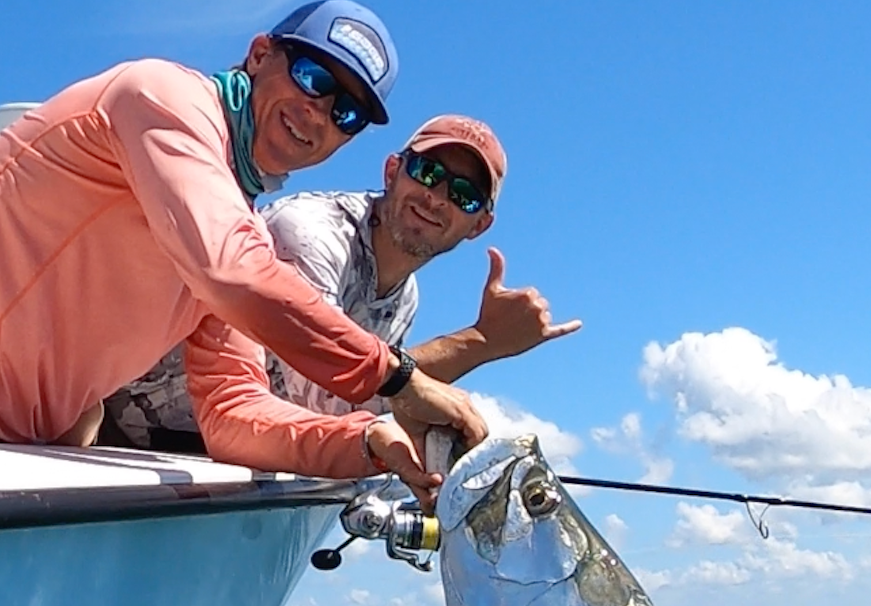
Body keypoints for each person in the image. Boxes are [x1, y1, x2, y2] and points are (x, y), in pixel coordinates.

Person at [0, 0, 485, 502]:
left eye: (346, 113)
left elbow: (233, 416)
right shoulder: (161, 98)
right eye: (313, 76)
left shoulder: (232, 222)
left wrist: (368, 441)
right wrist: (398, 380)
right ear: (259, 55)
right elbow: (232, 274)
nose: (319, 113)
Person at [101, 114, 581, 458]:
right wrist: (480, 343)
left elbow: (352, 404)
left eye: (463, 195)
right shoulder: (307, 230)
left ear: (479, 225)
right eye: (428, 173)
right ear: (393, 171)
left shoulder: (404, 296)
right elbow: (325, 395)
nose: (436, 198)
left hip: (213, 457)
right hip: (119, 440)